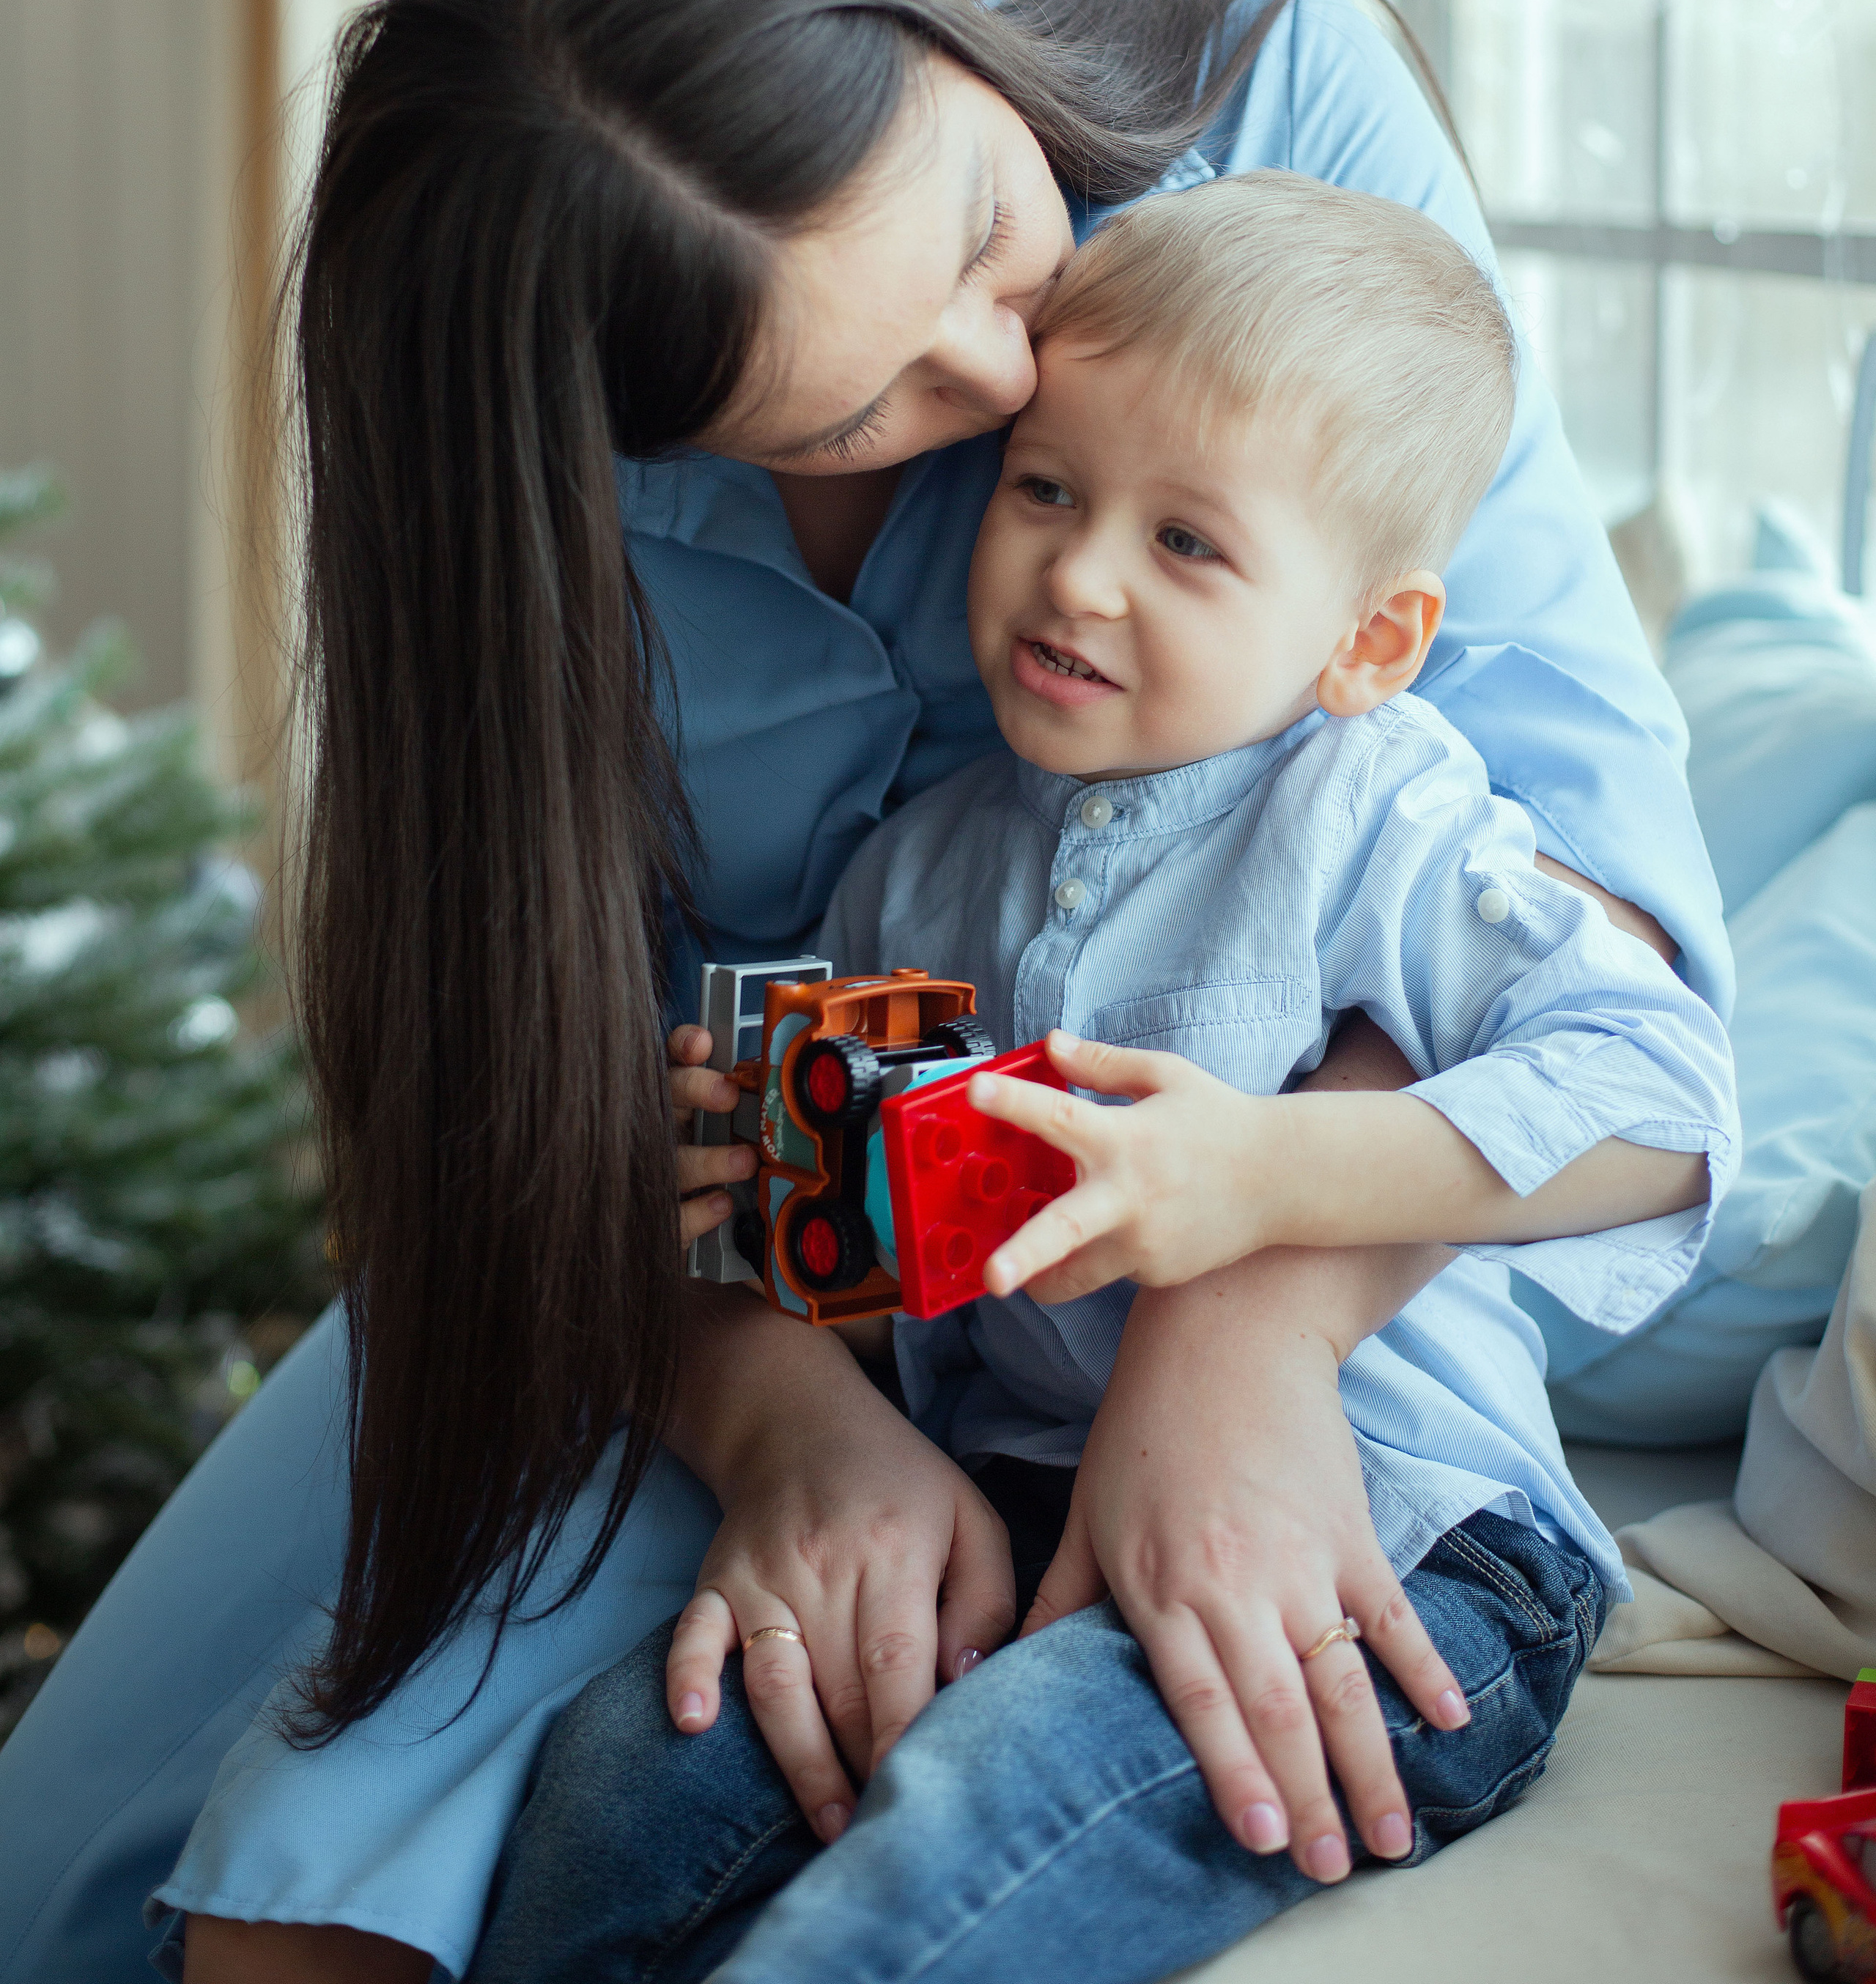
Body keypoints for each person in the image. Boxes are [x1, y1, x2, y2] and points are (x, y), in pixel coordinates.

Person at [0, 0, 1729, 1984]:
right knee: (184, 1899)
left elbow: (1601, 951)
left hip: (1264, 1310)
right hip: (668, 1302)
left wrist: (1238, 1310)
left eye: (997, 246)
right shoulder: (581, 530)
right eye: (866, 418)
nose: (1008, 372)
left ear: (926, 22)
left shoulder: (1278, 146)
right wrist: (772, 1413)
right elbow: (548, 1114)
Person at [459, 174, 1737, 1983]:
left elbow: (1661, 1092)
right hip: (1012, 1503)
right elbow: (863, 1282)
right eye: (1045, 488)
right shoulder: (917, 866)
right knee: (624, 1785)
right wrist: (768, 1194)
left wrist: (1267, 1179)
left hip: (1390, 1549)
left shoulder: (1379, 815)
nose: (1073, 571)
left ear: (1364, 640)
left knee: (973, 1830)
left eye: (1186, 544)